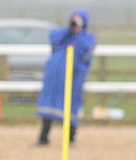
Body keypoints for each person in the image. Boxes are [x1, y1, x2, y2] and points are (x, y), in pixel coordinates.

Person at [36, 9, 97, 146]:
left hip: (74, 78)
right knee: (49, 107)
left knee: (71, 107)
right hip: (54, 79)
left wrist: (78, 32)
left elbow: (85, 50)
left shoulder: (87, 38)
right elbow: (53, 38)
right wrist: (69, 29)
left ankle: (70, 139)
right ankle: (43, 137)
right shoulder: (62, 34)